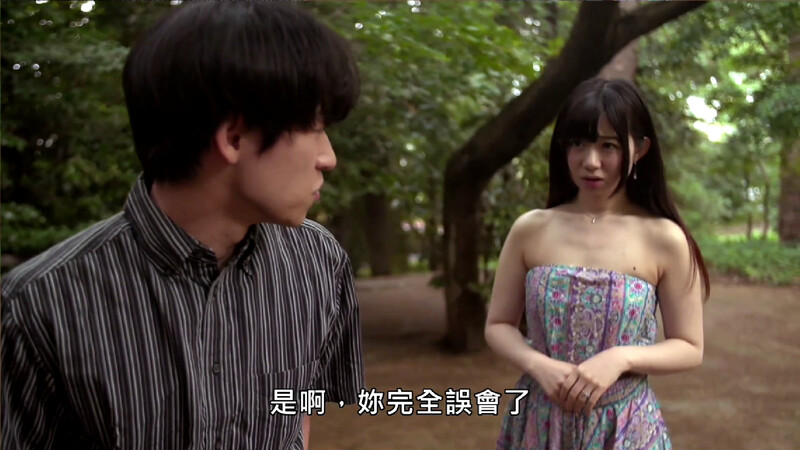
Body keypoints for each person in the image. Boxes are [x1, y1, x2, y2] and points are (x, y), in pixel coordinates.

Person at [1, 2, 364, 449]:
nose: (329, 157)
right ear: (233, 137)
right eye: (314, 126)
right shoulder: (39, 304)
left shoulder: (319, 262)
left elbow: (298, 413)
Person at [485, 77, 709, 449]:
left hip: (625, 427)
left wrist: (620, 358)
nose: (591, 162)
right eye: (578, 143)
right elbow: (498, 325)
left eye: (608, 146)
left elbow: (689, 346)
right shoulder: (531, 229)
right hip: (541, 422)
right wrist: (539, 365)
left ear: (640, 149)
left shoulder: (664, 238)